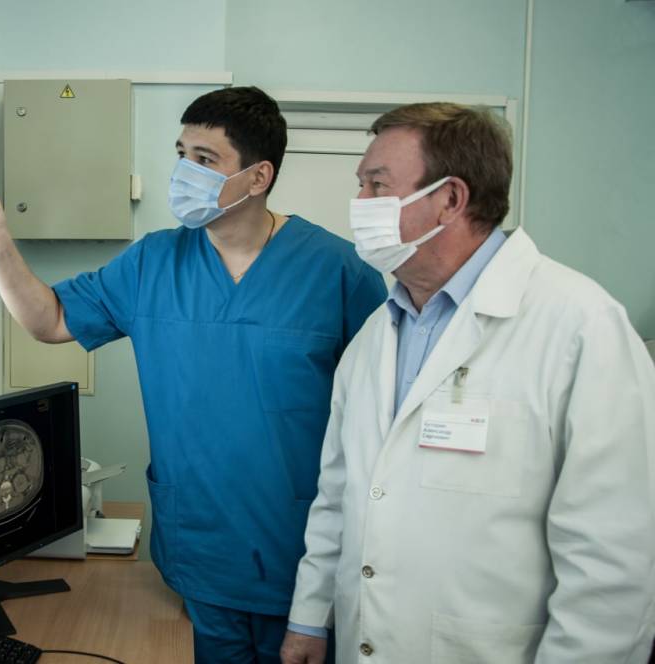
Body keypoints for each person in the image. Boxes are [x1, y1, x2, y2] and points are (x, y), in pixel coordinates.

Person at [0, 86, 386, 663]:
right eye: (182, 154)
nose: (184, 173)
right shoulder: (153, 262)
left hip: (302, 557)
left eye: (205, 159)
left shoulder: (338, 271)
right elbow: (49, 320)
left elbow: (382, 416)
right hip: (200, 551)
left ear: (258, 177)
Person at [280, 102, 655, 664]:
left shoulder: (580, 326)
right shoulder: (374, 336)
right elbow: (339, 495)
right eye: (361, 185)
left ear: (451, 199)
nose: (359, 204)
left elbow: (611, 557)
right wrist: (310, 617)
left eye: (377, 185)